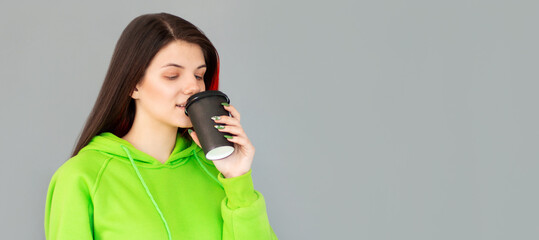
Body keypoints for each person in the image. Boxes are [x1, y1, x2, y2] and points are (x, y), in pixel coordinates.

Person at [44, 13, 277, 240]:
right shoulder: (81, 177)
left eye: (199, 75)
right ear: (134, 85)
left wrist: (238, 178)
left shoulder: (217, 170)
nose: (192, 87)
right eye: (172, 75)